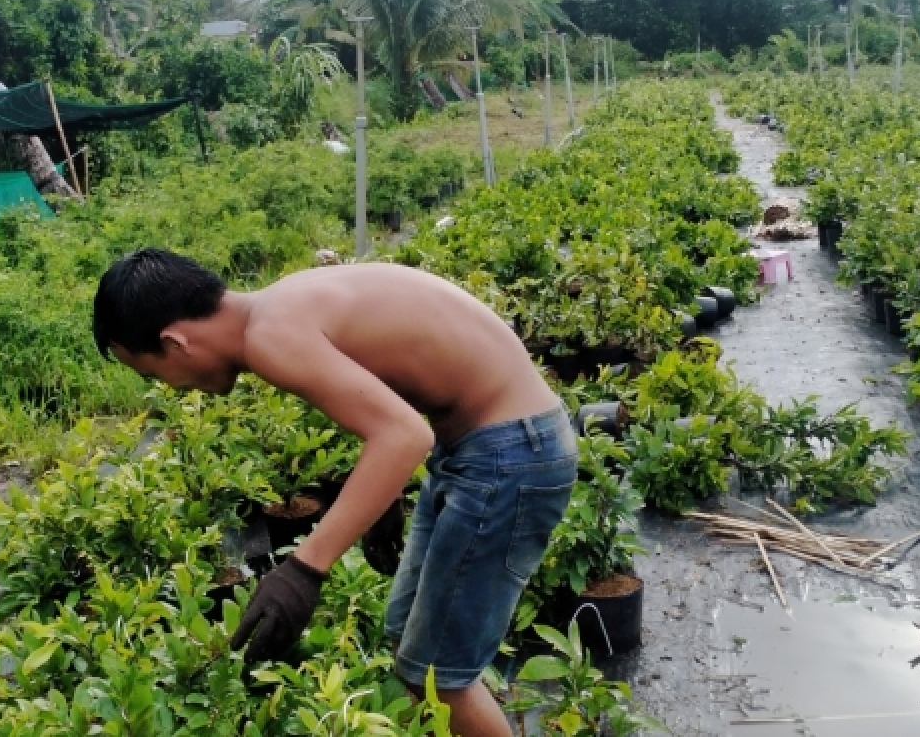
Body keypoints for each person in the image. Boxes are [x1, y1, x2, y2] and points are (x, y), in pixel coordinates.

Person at [94, 249, 576, 737]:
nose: (173, 389)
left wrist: (303, 571)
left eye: (154, 375)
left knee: (439, 675)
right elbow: (391, 379)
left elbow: (404, 435)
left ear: (175, 342)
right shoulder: (277, 304)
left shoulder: (269, 337)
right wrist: (383, 498)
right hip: (485, 444)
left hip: (509, 451)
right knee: (409, 637)